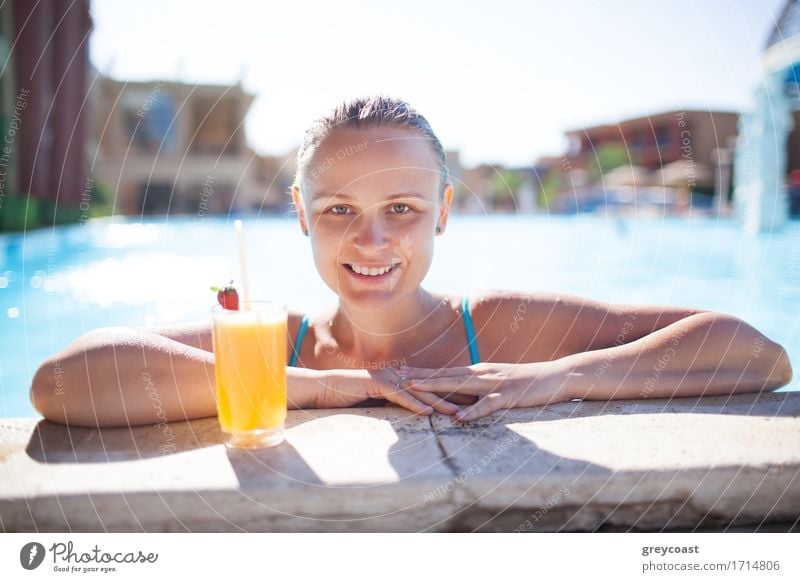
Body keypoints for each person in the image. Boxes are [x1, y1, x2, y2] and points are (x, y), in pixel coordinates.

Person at [31, 95, 793, 428]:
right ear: (300, 216)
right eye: (339, 212)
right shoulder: (280, 342)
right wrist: (319, 388)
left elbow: (760, 355)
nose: (372, 244)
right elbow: (61, 381)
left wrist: (564, 376)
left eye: (402, 210)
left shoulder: (495, 329)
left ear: (445, 213)